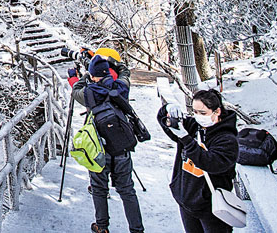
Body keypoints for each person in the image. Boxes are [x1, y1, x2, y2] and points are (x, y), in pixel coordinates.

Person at [69, 54, 144, 233]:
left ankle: (102, 226)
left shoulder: (89, 93)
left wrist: (82, 75)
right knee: (127, 190)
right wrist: (112, 62)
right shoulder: (121, 87)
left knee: (99, 189)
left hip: (99, 149)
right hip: (122, 147)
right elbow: (125, 72)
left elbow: (75, 89)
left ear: (93, 75)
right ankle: (137, 229)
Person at [156, 88, 239, 233]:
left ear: (217, 112)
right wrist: (167, 109)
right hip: (186, 201)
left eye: (203, 113)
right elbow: (165, 121)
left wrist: (187, 139)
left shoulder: (227, 140)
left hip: (211, 207)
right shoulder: (193, 126)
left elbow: (210, 163)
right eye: (194, 112)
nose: (198, 117)